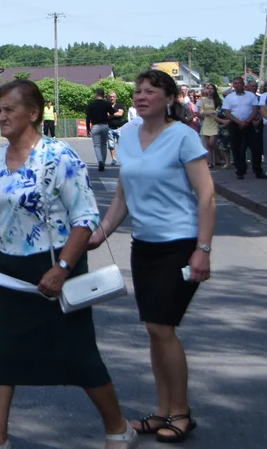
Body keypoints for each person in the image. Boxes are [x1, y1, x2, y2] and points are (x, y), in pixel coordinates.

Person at [0, 80, 137, 449]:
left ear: (33, 112)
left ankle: (117, 426)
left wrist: (62, 267)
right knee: (0, 354)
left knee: (78, 356)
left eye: (9, 109)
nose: (2, 117)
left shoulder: (59, 156)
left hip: (58, 267)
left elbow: (85, 217)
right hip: (11, 272)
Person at [89, 69, 216, 444]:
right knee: (154, 330)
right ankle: (163, 410)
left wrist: (202, 250)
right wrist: (97, 235)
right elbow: (122, 199)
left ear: (169, 98)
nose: (142, 96)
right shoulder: (126, 137)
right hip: (143, 245)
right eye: (138, 91)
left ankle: (182, 412)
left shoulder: (183, 136)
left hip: (180, 243)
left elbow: (206, 196)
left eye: (151, 91)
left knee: (163, 328)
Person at [221, 76, 264, 180]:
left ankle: (257, 170)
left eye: (238, 83)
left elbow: (255, 109)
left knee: (256, 147)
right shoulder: (229, 97)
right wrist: (238, 122)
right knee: (236, 148)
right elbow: (227, 112)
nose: (237, 85)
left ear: (243, 84)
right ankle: (240, 170)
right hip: (235, 124)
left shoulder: (251, 95)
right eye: (234, 83)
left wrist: (247, 121)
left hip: (248, 123)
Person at [85, 88, 115, 173]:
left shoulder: (91, 104)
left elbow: (88, 118)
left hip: (95, 126)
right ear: (103, 95)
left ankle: (100, 161)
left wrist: (88, 128)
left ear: (96, 94)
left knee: (97, 145)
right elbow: (112, 112)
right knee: (103, 145)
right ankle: (103, 162)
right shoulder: (106, 103)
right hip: (105, 125)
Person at [195, 84, 221, 169]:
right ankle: (210, 162)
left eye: (211, 89)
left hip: (215, 122)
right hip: (206, 122)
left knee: (212, 143)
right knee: (207, 145)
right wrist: (205, 113)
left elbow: (218, 110)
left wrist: (212, 112)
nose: (210, 90)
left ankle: (219, 157)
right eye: (208, 89)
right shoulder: (203, 100)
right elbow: (201, 110)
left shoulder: (217, 100)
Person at [107, 91, 126, 167]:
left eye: (113, 97)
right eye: (110, 97)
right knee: (111, 145)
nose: (112, 98)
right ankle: (113, 159)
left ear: (116, 97)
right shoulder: (106, 106)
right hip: (109, 128)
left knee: (121, 145)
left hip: (119, 128)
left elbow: (120, 113)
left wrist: (111, 115)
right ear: (108, 98)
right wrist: (115, 114)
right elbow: (105, 115)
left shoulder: (119, 105)